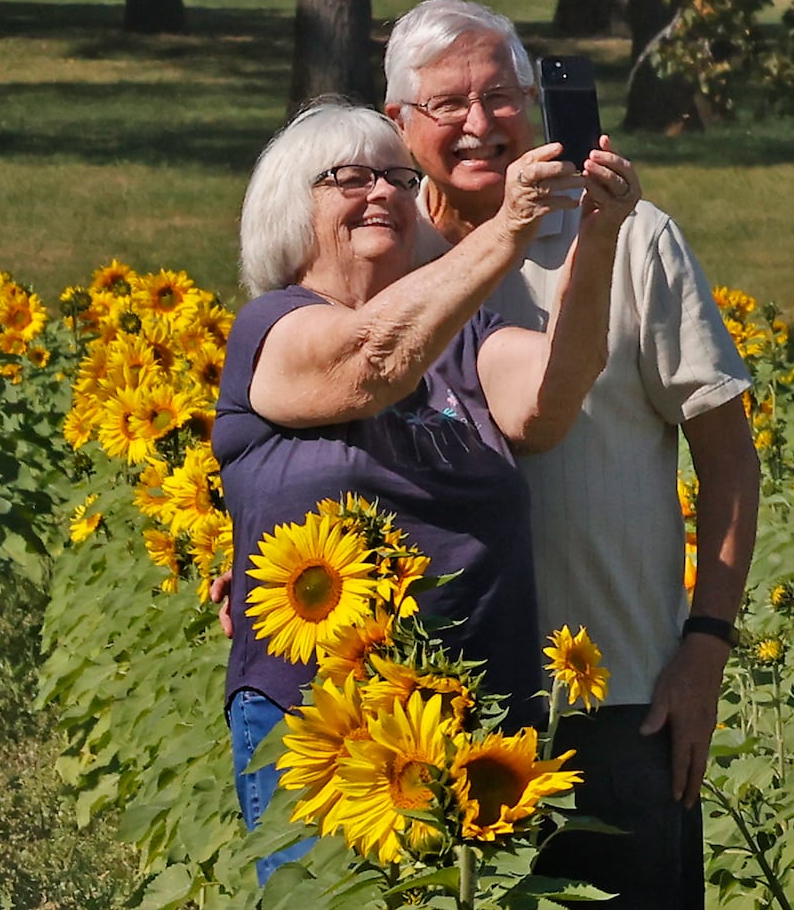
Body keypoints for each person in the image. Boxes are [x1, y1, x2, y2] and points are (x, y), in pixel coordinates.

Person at [382, 0, 761, 908]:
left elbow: (729, 458)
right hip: (425, 703)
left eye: (502, 96)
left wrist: (704, 648)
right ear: (398, 122)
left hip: (614, 694)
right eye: (446, 105)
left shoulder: (629, 236)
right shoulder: (383, 253)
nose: (479, 125)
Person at [213, 98, 640, 883]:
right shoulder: (272, 329)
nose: (380, 192)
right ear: (287, 209)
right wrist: (507, 229)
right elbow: (368, 362)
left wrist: (599, 235)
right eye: (348, 177)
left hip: (477, 724)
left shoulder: (462, 340)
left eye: (396, 177)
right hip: (326, 728)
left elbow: (552, 398)